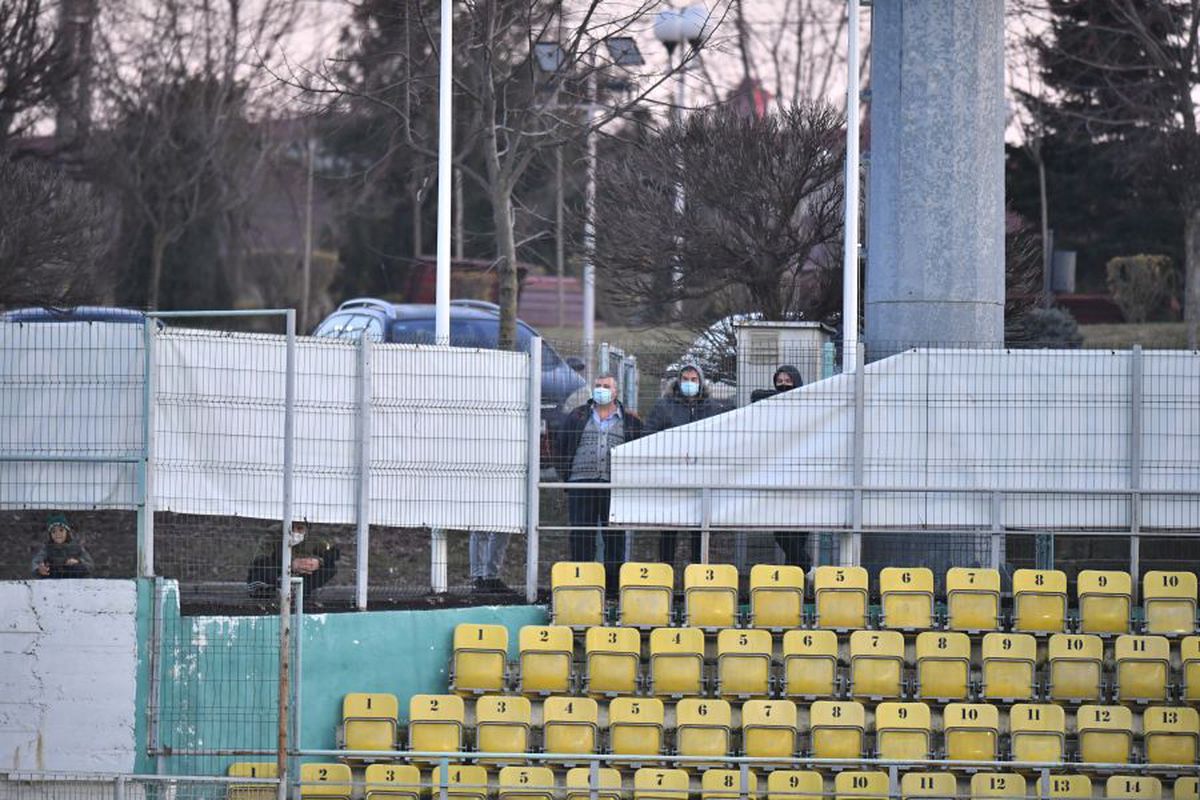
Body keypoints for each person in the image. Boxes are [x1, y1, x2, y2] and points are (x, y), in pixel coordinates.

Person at [554, 372, 643, 591]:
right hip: (581, 484)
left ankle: (612, 587)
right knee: (581, 535)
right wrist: (566, 477)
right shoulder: (577, 416)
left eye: (606, 386)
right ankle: (582, 584)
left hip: (615, 486)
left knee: (614, 536)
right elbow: (561, 445)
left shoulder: (631, 420)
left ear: (616, 392)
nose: (601, 389)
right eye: (598, 385)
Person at [646, 363, 729, 565]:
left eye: (693, 380)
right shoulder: (664, 405)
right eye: (685, 379)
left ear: (701, 382)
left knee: (699, 528)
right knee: (668, 527)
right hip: (671, 477)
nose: (689, 383)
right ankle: (665, 570)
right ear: (678, 381)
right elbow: (649, 435)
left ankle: (698, 571)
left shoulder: (712, 407)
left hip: (702, 478)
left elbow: (721, 440)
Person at [750, 364, 811, 569]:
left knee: (799, 533)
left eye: (788, 382)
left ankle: (794, 577)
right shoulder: (771, 403)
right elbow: (755, 395)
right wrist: (785, 397)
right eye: (780, 382)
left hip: (804, 477)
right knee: (781, 531)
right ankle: (806, 568)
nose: (784, 385)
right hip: (778, 475)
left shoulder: (808, 404)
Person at [247, 519, 340, 598]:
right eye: (291, 528)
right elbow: (260, 558)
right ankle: (272, 592)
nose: (295, 532)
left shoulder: (312, 537)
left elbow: (333, 552)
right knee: (266, 566)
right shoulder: (273, 534)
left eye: (300, 529)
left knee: (330, 567)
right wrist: (290, 564)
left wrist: (318, 562)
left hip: (300, 574)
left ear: (306, 529)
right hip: (277, 573)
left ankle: (301, 592)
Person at [31, 514, 94, 579]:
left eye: (61, 530)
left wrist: (78, 561)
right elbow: (36, 562)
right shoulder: (47, 548)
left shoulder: (76, 547)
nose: (58, 534)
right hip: (53, 580)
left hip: (75, 581)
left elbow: (90, 564)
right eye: (53, 531)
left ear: (67, 532)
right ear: (50, 535)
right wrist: (39, 569)